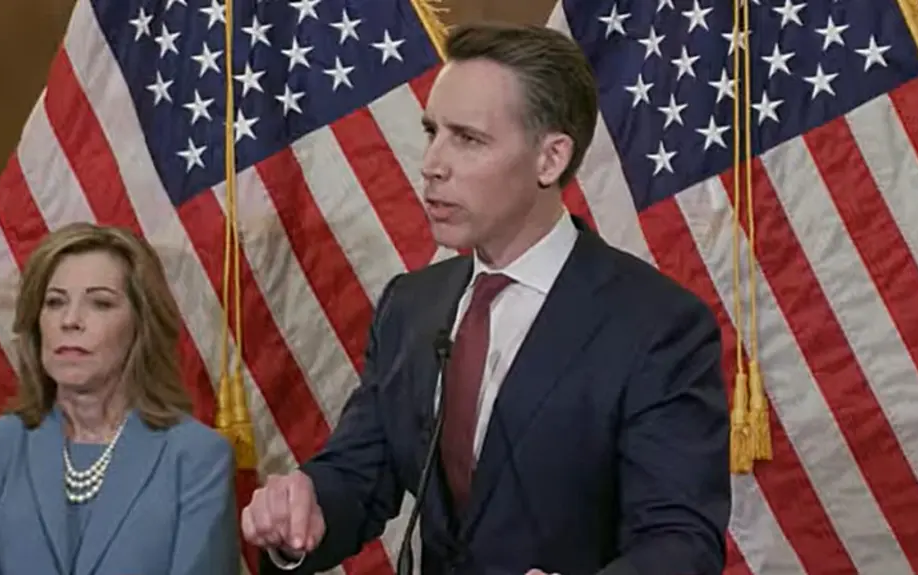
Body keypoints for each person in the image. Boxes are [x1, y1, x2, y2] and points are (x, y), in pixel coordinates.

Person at [243, 22, 731, 575]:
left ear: (550, 159)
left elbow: (681, 543)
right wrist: (299, 515)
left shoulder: (657, 326)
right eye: (432, 132)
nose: (432, 163)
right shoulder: (411, 306)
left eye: (468, 138)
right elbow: (358, 474)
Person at [0, 222, 241, 575]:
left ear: (141, 324)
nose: (70, 320)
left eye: (100, 303)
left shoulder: (196, 457)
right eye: (55, 302)